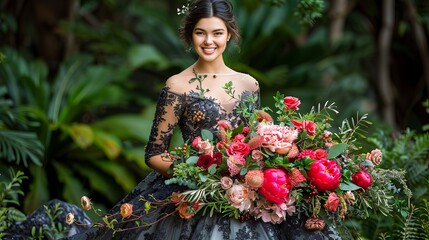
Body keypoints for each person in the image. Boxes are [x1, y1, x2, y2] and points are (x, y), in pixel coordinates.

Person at [6, 0, 351, 239]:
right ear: (190, 36)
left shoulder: (249, 83)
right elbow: (154, 152)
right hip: (190, 191)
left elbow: (253, 137)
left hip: (246, 193)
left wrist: (258, 167)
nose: (209, 40)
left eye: (217, 32)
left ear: (229, 34)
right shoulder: (177, 85)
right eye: (201, 33)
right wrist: (200, 176)